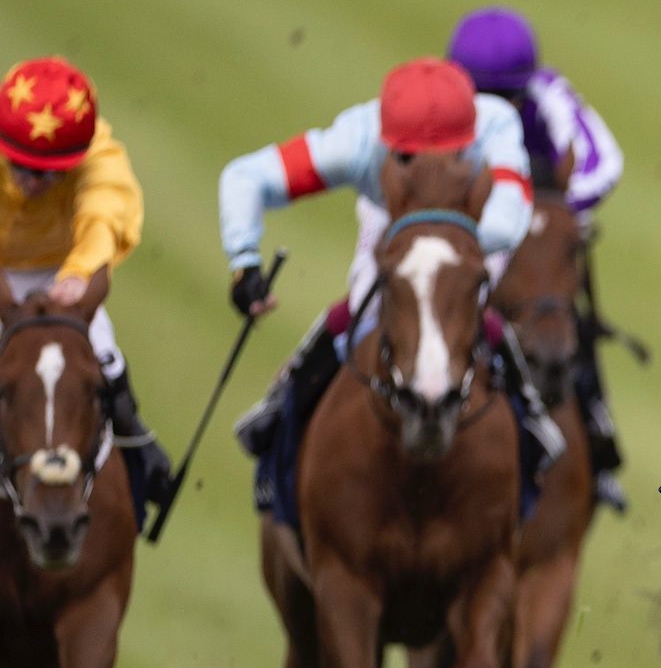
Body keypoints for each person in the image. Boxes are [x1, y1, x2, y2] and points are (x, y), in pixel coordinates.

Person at [220, 57, 550, 466]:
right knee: (362, 306)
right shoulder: (355, 142)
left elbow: (507, 220)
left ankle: (532, 420)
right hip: (392, 226)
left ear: (470, 141)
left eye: (450, 156)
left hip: (467, 233)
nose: (431, 169)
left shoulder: (495, 123)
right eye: (411, 158)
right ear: (388, 147)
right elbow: (245, 178)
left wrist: (440, 256)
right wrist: (245, 261)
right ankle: (282, 408)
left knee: (471, 308)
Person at [447, 6, 628, 510]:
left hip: (538, 230)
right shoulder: (439, 102)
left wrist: (545, 212)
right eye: (483, 97)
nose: (495, 108)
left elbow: (603, 162)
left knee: (570, 320)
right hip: (465, 229)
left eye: (506, 97)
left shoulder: (551, 95)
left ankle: (597, 437)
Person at [0, 57, 170, 509]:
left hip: (59, 270)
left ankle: (137, 461)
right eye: (22, 168)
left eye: (51, 173)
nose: (36, 182)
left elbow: (103, 215)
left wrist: (76, 277)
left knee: (104, 360)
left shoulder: (101, 157)